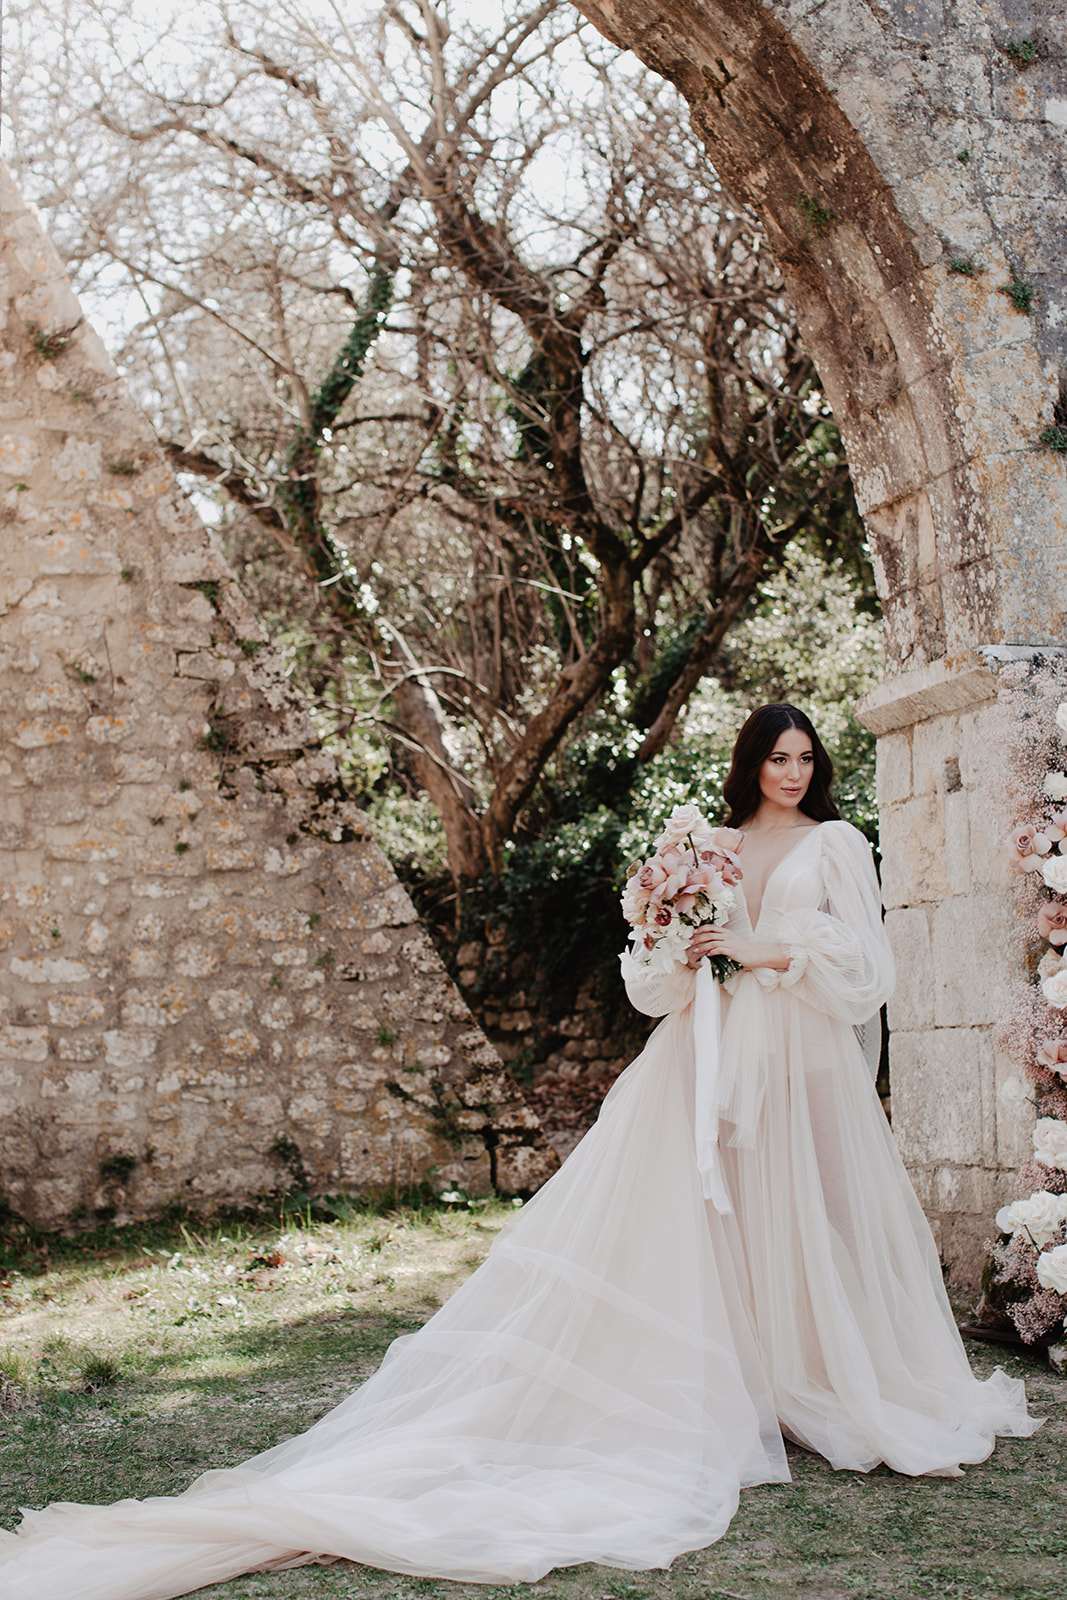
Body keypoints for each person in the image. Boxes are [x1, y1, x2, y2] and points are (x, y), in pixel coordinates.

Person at [0, 704, 1043, 1599]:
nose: (791, 772)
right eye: (777, 758)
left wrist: (758, 945)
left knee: (798, 1212)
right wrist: (680, 943)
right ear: (748, 763)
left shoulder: (835, 844)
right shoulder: (711, 846)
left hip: (797, 1058)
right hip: (702, 1058)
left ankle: (816, 1376)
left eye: (804, 758)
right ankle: (740, 1383)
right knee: (698, 1217)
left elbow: (864, 965)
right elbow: (655, 983)